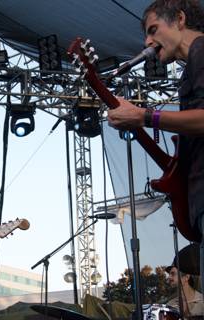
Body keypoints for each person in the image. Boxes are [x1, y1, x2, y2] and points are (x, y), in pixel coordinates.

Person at [107, 0, 204, 299]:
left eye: (153, 30)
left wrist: (144, 116)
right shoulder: (190, 70)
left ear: (179, 18)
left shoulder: (202, 51)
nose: (147, 42)